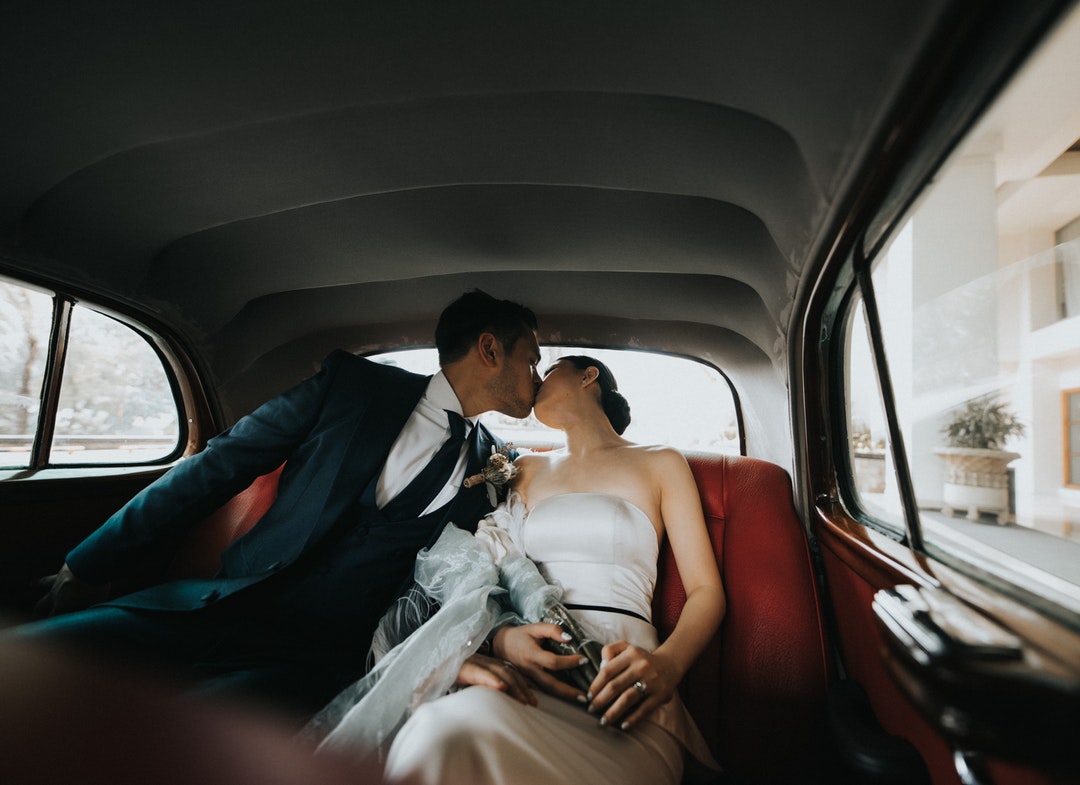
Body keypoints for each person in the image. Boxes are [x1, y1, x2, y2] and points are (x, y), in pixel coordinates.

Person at [13, 289, 543, 717]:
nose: (537, 381)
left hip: (310, 663)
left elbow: (465, 572)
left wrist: (483, 642)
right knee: (27, 662)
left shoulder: (491, 460)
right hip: (212, 607)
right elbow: (217, 466)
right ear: (490, 349)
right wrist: (90, 562)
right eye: (533, 361)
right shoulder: (352, 385)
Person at [314, 355, 726, 785]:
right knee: (439, 733)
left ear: (589, 377)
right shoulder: (523, 467)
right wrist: (501, 640)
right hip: (530, 675)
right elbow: (487, 567)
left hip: (622, 679)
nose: (534, 377)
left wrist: (666, 667)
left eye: (548, 369)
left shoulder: (662, 462)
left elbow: (705, 590)